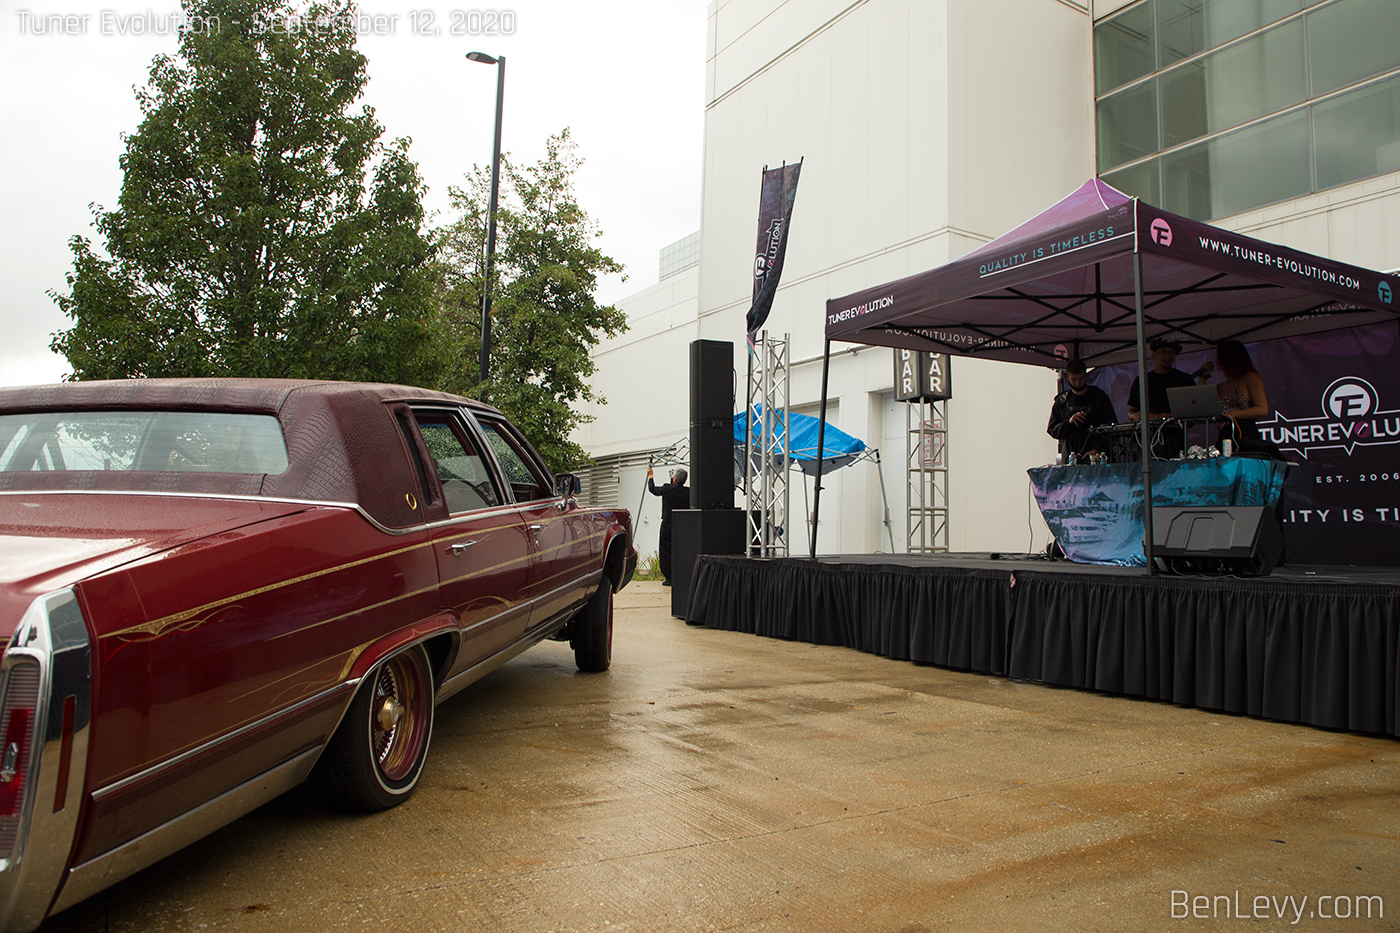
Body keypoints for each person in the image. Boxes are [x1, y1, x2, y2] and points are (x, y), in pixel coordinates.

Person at [1127, 337, 1199, 458]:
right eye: (1163, 351)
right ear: (1153, 354)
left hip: (1173, 439)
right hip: (1145, 439)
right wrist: (1135, 416)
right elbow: (1131, 411)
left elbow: (1190, 412)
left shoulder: (1184, 379)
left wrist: (1159, 417)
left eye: (1171, 352)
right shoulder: (1142, 380)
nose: (1167, 355)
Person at [1047, 358, 1118, 461]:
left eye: (1081, 378)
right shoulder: (1062, 401)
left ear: (1085, 376)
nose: (1077, 383)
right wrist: (1069, 422)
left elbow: (1111, 427)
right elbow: (1053, 430)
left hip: (1096, 457)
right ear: (1067, 377)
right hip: (1071, 458)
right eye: (1074, 379)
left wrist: (1097, 449)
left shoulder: (1099, 397)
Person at [646, 465, 689, 586]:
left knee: (665, 550)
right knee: (680, 550)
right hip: (682, 526)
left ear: (674, 479)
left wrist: (651, 476)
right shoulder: (688, 492)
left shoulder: (667, 489)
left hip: (668, 524)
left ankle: (669, 577)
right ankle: (681, 575)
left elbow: (653, 489)